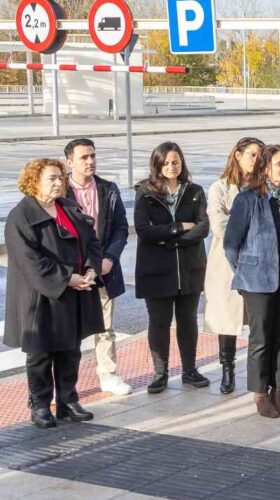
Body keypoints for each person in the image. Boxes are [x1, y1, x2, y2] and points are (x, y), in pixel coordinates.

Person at [4, 159, 102, 427]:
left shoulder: (68, 208)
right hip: (41, 296)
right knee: (41, 353)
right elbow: (30, 261)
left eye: (61, 177)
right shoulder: (21, 216)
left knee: (71, 349)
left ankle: (68, 401)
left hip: (74, 291)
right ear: (34, 181)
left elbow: (91, 241)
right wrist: (67, 278)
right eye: (52, 178)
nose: (59, 183)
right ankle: (40, 405)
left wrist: (92, 269)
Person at [224, 144, 280, 418]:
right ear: (265, 168)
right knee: (261, 338)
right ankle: (260, 393)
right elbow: (231, 244)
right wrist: (245, 272)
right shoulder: (249, 198)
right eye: (279, 164)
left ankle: (279, 389)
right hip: (257, 281)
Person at [134, 142, 210, 394]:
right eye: (165, 162)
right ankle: (160, 373)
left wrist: (170, 240)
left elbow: (202, 227)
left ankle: (189, 370)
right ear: (156, 165)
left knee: (188, 320)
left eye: (175, 161)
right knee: (159, 321)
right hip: (157, 270)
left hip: (190, 268)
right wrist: (177, 229)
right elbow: (144, 230)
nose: (171, 166)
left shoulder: (195, 190)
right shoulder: (145, 192)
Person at [63, 139, 132, 396]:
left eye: (93, 156)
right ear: (70, 161)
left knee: (105, 327)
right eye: (83, 157)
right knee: (69, 331)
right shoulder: (61, 192)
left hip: (103, 270)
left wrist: (110, 259)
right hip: (72, 274)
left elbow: (121, 229)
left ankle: (108, 375)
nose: (90, 161)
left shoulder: (107, 189)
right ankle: (67, 384)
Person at [205, 137, 264, 394]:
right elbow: (218, 225)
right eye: (252, 154)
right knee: (227, 320)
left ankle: (257, 372)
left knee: (257, 319)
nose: (256, 160)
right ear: (237, 155)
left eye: (260, 155)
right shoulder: (219, 187)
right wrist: (250, 227)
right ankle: (227, 370)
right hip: (227, 262)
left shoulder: (264, 187)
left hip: (259, 263)